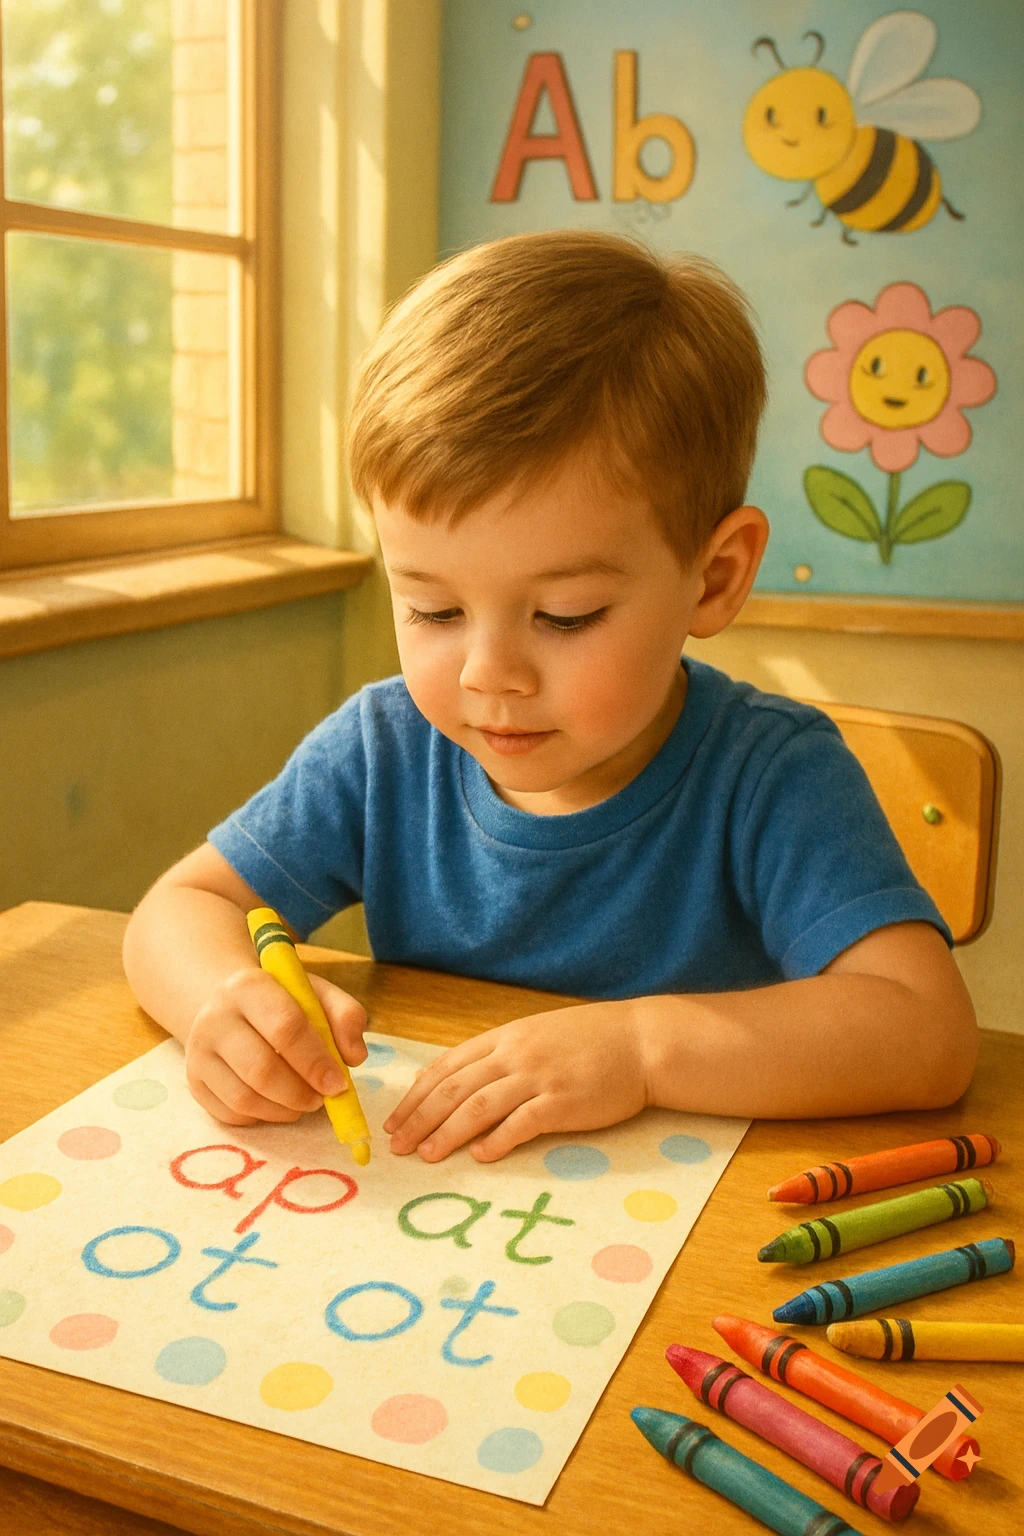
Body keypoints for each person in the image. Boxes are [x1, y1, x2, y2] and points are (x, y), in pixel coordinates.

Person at [122, 230, 977, 1164]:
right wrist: (223, 1000)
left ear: (715, 576)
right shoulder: (380, 751)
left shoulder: (772, 775)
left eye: (566, 616)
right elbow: (182, 906)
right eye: (433, 608)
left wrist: (640, 1049)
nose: (490, 673)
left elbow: (924, 1035)